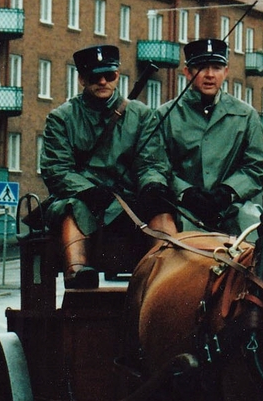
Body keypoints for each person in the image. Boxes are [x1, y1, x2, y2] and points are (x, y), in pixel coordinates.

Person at [40, 44, 174, 289]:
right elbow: (56, 169)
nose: (102, 81)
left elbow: (152, 162)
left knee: (163, 211)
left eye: (109, 75)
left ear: (117, 76)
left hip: (130, 199)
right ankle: (78, 272)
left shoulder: (142, 115)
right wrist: (87, 190)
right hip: (83, 199)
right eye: (94, 76)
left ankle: (167, 274)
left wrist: (152, 186)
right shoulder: (62, 118)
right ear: (81, 79)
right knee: (72, 209)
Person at [158, 38, 263, 236]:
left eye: (217, 67)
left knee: (253, 240)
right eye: (201, 67)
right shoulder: (165, 115)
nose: (209, 75)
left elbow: (256, 167)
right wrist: (186, 192)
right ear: (187, 72)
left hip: (233, 209)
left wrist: (229, 191)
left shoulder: (246, 115)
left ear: (226, 72)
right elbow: (157, 165)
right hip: (183, 209)